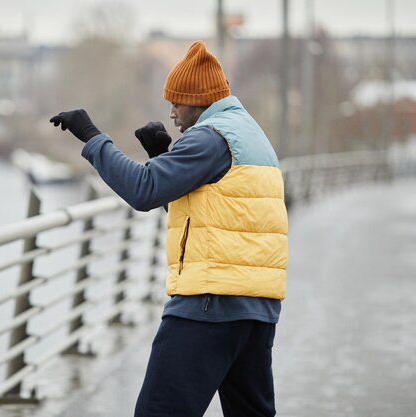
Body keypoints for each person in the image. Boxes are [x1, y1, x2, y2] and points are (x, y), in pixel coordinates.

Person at [50, 40, 288, 417]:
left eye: (177, 102)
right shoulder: (249, 134)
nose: (172, 113)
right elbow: (212, 211)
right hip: (256, 310)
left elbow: (142, 191)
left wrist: (92, 137)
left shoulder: (210, 138)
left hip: (209, 305)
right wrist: (163, 157)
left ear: (200, 100)